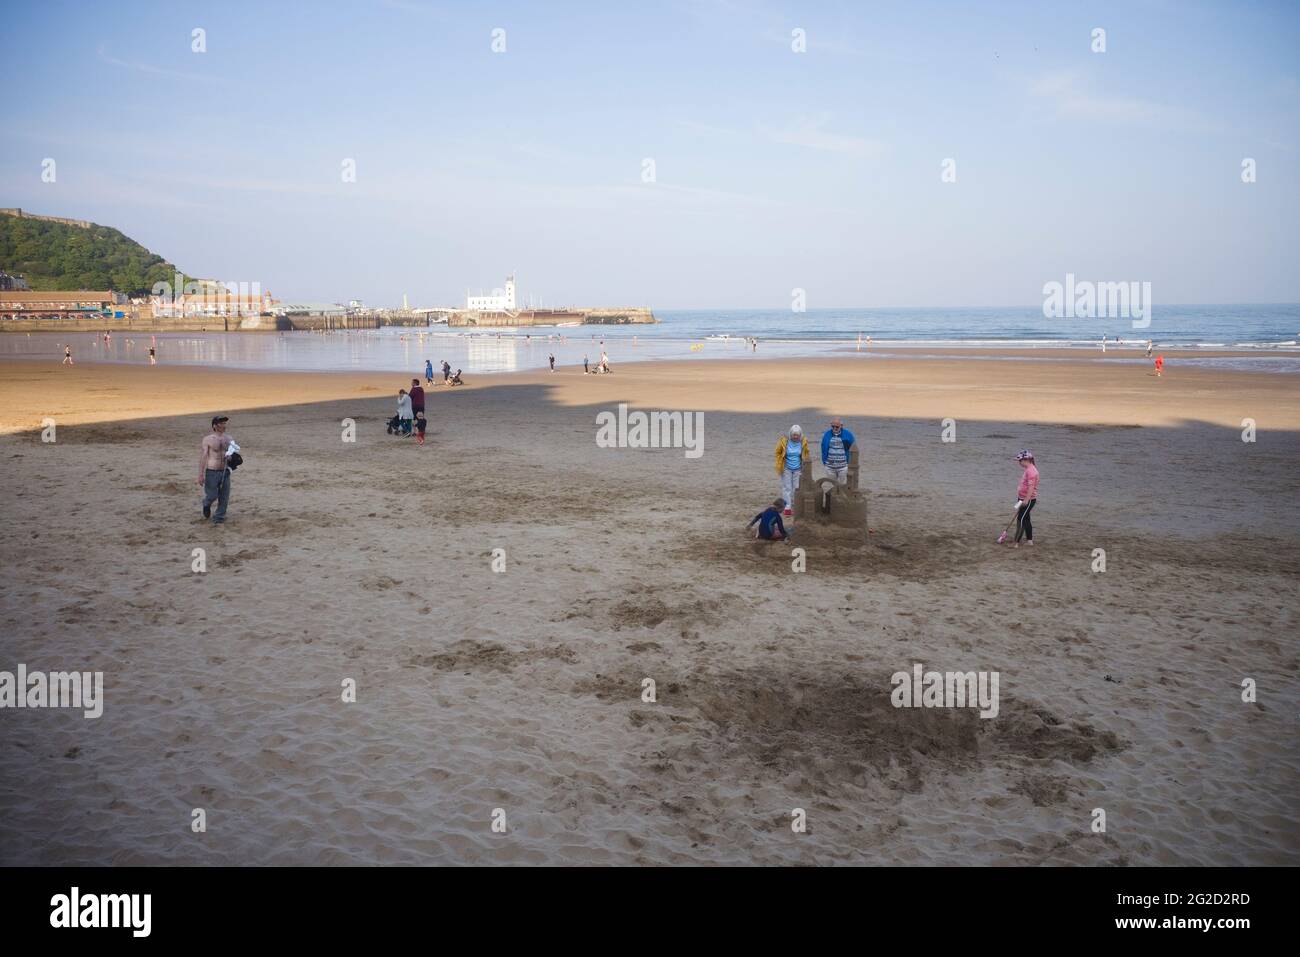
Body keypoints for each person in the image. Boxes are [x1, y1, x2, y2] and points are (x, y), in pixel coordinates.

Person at [198, 415, 233, 525]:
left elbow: (233, 454)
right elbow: (204, 456)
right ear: (214, 425)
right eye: (221, 423)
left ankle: (219, 517)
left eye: (224, 423)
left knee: (224, 496)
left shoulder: (229, 439)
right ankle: (206, 503)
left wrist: (231, 457)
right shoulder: (208, 439)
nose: (223, 425)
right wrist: (200, 474)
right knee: (212, 495)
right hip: (212, 471)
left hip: (225, 471)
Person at [774, 424, 810, 517]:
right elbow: (777, 452)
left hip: (798, 469)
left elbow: (806, 454)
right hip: (786, 468)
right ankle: (787, 508)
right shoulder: (784, 442)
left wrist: (805, 465)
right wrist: (780, 461)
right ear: (790, 434)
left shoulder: (803, 442)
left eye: (797, 435)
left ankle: (796, 507)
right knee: (787, 488)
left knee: (796, 488)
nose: (795, 437)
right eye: (794, 435)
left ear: (800, 435)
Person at [1012, 449, 1039, 548]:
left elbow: (1031, 487)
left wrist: (1026, 500)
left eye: (1020, 460)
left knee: (1022, 519)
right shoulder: (1028, 469)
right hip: (1022, 498)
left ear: (1026, 460)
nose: (1019, 462)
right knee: (1026, 519)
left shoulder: (1031, 471)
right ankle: (1029, 540)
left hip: (1028, 499)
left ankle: (1016, 542)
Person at [820, 417, 857, 484]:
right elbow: (823, 448)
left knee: (843, 485)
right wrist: (824, 462)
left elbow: (853, 447)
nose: (834, 428)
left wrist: (848, 462)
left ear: (841, 426)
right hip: (829, 466)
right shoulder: (827, 434)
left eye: (836, 427)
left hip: (843, 466)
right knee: (834, 485)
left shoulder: (848, 435)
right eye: (832, 426)